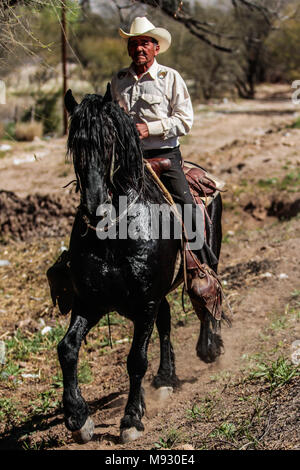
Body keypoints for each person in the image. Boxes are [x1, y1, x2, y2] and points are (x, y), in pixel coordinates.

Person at [111, 16, 222, 314]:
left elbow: (185, 120)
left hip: (165, 158)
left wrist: (151, 128)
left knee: (188, 207)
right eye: (133, 44)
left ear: (156, 47)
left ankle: (201, 270)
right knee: (98, 205)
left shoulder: (170, 78)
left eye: (145, 43)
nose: (139, 49)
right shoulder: (118, 80)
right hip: (130, 160)